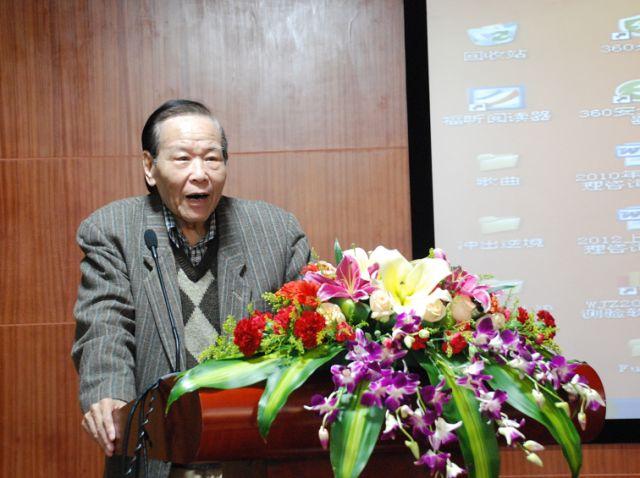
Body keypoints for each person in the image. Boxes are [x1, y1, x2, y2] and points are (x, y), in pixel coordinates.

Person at [71, 99, 310, 478]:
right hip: (156, 456)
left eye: (212, 159)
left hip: (251, 457)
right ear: (149, 167)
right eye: (182, 159)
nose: (200, 174)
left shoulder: (276, 233)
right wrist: (109, 393)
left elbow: (310, 329)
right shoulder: (113, 230)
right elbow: (105, 325)